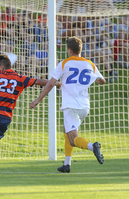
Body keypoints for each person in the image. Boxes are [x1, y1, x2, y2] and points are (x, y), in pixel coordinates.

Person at [30, 36, 106, 173]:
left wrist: (37, 100)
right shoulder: (90, 64)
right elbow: (102, 81)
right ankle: (67, 164)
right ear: (80, 50)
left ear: (69, 50)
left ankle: (92, 147)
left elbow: (50, 84)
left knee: (73, 140)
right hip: (84, 106)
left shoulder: (64, 63)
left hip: (71, 106)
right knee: (66, 130)